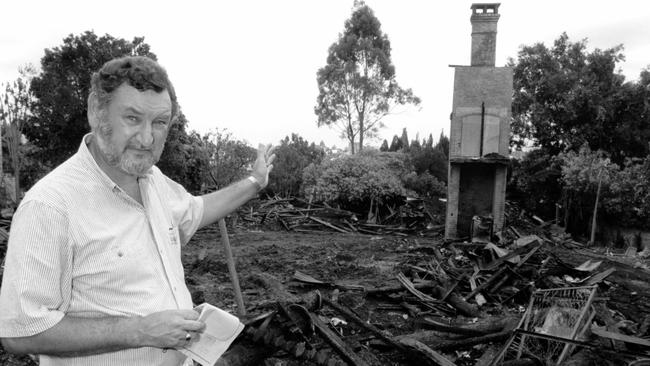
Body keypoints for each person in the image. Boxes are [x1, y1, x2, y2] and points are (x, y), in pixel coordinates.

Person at [0, 56, 275, 366]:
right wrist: (140, 331)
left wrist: (254, 182)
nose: (147, 139)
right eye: (132, 118)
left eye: (159, 122)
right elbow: (20, 332)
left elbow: (196, 210)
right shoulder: (50, 205)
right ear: (96, 111)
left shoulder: (153, 180)